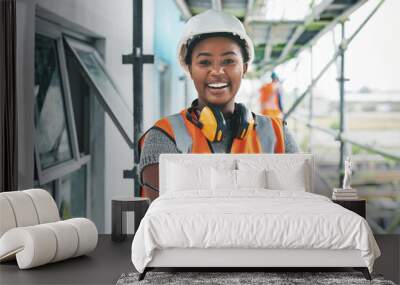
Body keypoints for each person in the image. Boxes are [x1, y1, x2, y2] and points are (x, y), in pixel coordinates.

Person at [138, 9, 299, 201]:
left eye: (229, 61)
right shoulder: (164, 136)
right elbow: (166, 216)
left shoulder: (278, 134)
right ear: (189, 69)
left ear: (244, 67)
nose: (217, 71)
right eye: (204, 62)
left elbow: (298, 207)